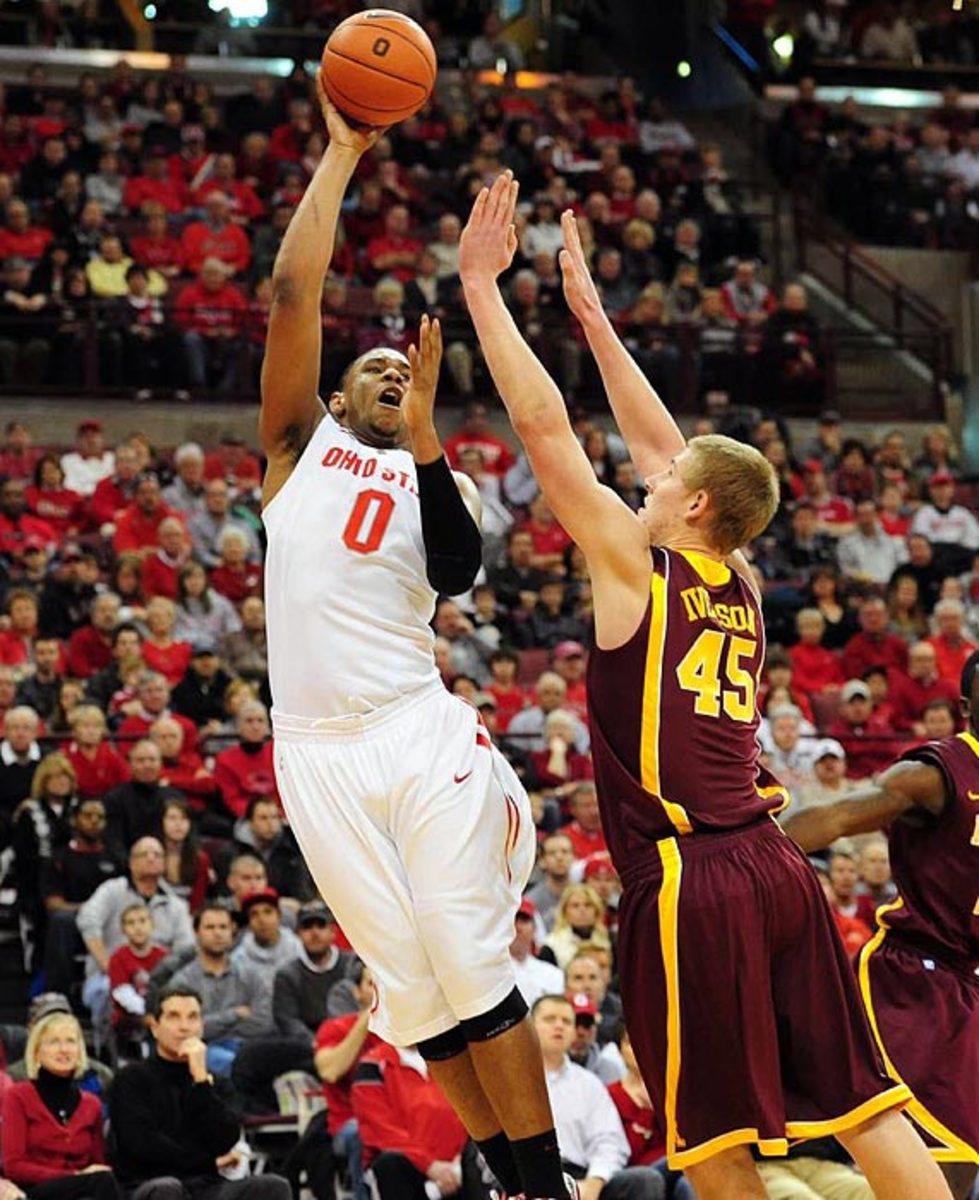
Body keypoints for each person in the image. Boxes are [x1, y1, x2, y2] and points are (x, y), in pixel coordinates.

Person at [458, 171, 950, 1199]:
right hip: (775, 869)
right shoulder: (739, 576)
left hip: (692, 883)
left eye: (661, 486)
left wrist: (481, 291)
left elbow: (548, 435)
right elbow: (671, 447)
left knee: (706, 1133)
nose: (648, 481)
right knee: (864, 1107)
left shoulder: (636, 569)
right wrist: (591, 317)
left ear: (688, 512)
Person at [259, 93, 569, 1200]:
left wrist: (431, 434)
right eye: (376, 368)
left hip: (413, 731)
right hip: (315, 755)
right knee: (417, 998)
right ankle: (514, 1178)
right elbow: (295, 293)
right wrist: (342, 153)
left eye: (408, 370)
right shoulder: (294, 452)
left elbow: (453, 573)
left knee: (467, 952)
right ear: (337, 394)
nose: (394, 372)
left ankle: (544, 1191)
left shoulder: (439, 478)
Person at [784, 650, 979, 1200]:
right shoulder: (938, 772)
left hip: (967, 985)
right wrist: (749, 854)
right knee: (949, 1162)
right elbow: (840, 814)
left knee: (954, 1166)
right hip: (920, 980)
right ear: (966, 706)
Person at [109, 985, 292, 1200]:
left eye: (193, 1017)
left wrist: (200, 1080)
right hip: (148, 1184)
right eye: (174, 1017)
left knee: (272, 1186)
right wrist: (207, 1161)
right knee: (168, 1188)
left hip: (207, 1186)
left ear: (202, 1027)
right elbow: (143, 1147)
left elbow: (226, 1139)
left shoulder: (214, 1082)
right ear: (155, 1027)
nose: (184, 1027)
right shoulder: (130, 1078)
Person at [0, 1011, 120, 1200]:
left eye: (71, 1041)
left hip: (83, 1191)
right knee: (102, 1182)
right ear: (37, 1051)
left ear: (80, 1051)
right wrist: (74, 1176)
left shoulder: (92, 1104)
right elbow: (14, 1166)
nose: (64, 1049)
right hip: (34, 1191)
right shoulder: (18, 1096)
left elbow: (97, 1164)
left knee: (105, 1180)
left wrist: (85, 1178)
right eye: (54, 1041)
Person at [531, 995, 630, 1198]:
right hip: (527, 1179)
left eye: (567, 1021)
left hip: (579, 1176)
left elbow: (609, 1141)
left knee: (645, 1181)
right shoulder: (512, 1080)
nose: (559, 1026)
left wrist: (594, 1182)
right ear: (529, 1027)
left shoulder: (589, 1084)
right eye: (550, 1019)